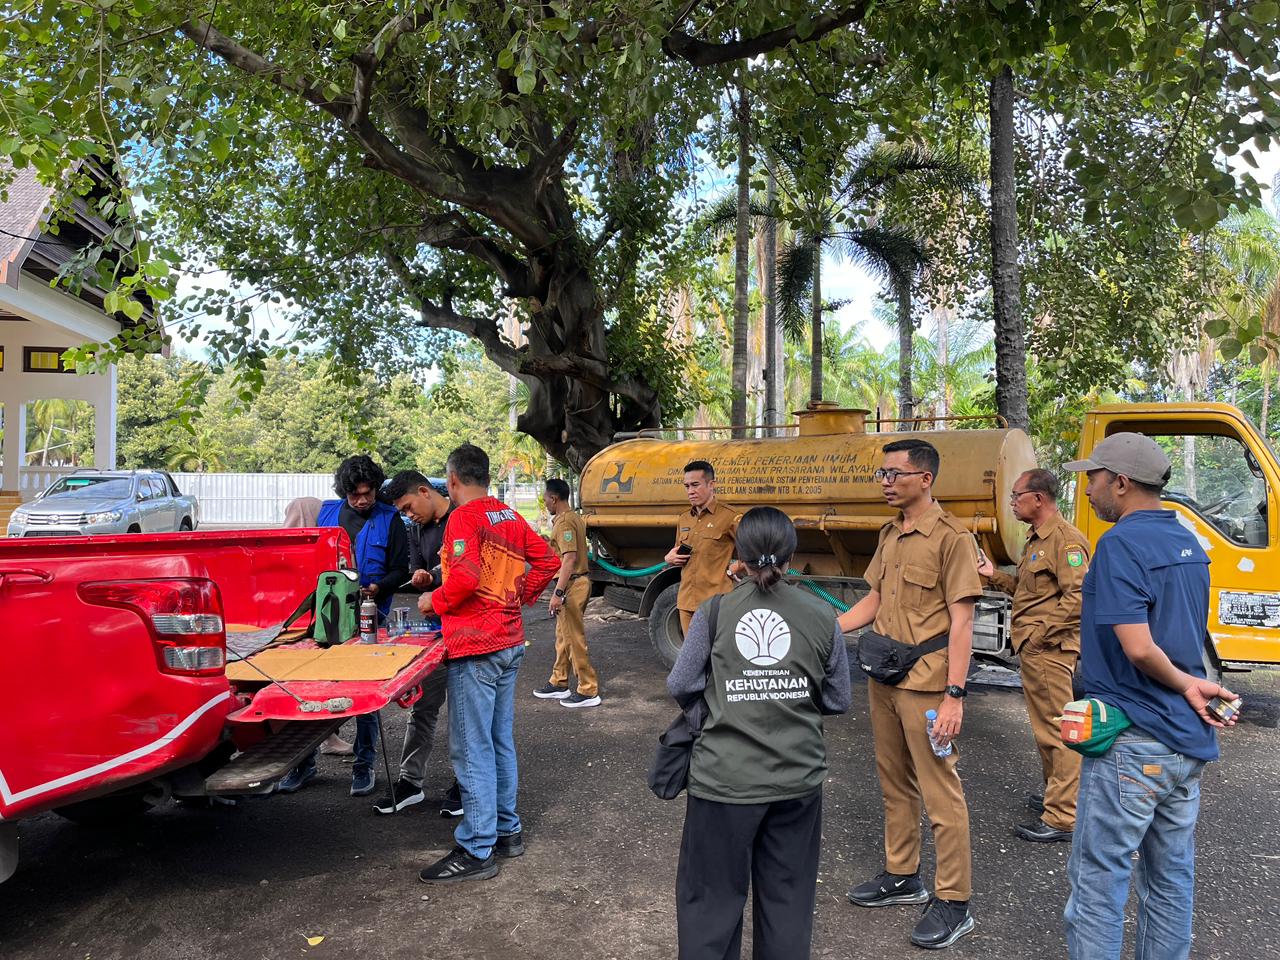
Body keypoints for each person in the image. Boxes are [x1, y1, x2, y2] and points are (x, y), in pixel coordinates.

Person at [1061, 433, 1238, 960]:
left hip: (1134, 742)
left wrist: (1185, 683)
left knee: (1098, 883)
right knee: (1170, 880)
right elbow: (1181, 632)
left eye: (1093, 478)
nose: (1088, 490)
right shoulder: (1189, 542)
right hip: (1186, 740)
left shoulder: (1121, 544)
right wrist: (1191, 687)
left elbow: (1138, 648)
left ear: (1120, 482)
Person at [668, 506, 851, 960]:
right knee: (787, 902)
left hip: (723, 783)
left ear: (739, 555)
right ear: (792, 554)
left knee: (710, 903)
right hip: (797, 781)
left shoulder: (715, 613)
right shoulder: (823, 617)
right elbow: (838, 699)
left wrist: (726, 700)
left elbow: (681, 684)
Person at [838, 438, 982, 950]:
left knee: (941, 790)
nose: (885, 482)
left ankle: (954, 900)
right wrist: (829, 632)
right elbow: (873, 601)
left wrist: (955, 695)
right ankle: (903, 875)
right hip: (885, 675)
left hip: (927, 683)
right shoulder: (890, 534)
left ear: (925, 479)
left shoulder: (952, 539)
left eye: (895, 473)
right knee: (893, 781)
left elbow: (962, 624)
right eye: (882, 474)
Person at [417, 444, 560, 884]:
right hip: (509, 641)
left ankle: (477, 847)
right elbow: (549, 561)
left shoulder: (464, 517)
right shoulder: (509, 515)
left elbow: (463, 578)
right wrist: (517, 597)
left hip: (476, 647)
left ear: (452, 479)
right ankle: (506, 830)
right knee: (498, 741)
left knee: (472, 747)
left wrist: (432, 601)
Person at [278, 455, 409, 798]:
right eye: (356, 495)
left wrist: (379, 587)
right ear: (344, 492)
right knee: (308, 691)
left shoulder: (390, 519)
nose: (363, 500)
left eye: (368, 493)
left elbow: (401, 570)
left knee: (365, 697)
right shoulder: (325, 515)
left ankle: (364, 765)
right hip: (324, 620)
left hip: (371, 618)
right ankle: (303, 764)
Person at [977, 468, 1090, 843]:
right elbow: (1031, 593)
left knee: (1060, 730)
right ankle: (1055, 796)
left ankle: (1063, 815)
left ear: (1038, 498)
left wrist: (1039, 637)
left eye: (1016, 496)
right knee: (1047, 729)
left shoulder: (1066, 540)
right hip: (1038, 647)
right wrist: (993, 575)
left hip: (1050, 649)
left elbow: (1078, 599)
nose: (1012, 503)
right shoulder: (1037, 540)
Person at [374, 469, 463, 817]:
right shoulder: (416, 529)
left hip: (464, 631)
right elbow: (421, 572)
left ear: (425, 491)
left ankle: (464, 784)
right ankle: (410, 782)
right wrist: (421, 577)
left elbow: (465, 574)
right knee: (423, 708)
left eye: (409, 506)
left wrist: (436, 581)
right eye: (402, 511)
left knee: (463, 715)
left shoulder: (460, 519)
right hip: (434, 632)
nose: (408, 515)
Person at [282, 495, 354, 759]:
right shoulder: (311, 548)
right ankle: (316, 748)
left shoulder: (308, 547)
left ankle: (320, 744)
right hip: (308, 630)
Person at [533, 478, 601, 708]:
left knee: (574, 639)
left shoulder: (564, 522)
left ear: (554, 498)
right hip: (577, 582)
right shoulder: (574, 518)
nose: (546, 505)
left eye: (546, 500)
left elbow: (569, 558)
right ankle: (559, 681)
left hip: (572, 584)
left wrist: (558, 592)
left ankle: (588, 689)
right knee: (563, 637)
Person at [663, 460, 742, 635]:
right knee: (692, 657)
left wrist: (735, 568)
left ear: (711, 484)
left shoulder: (730, 517)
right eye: (687, 486)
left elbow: (753, 551)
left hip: (716, 604)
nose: (690, 491)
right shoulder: (684, 518)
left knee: (716, 657)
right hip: (686, 603)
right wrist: (669, 559)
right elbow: (677, 552)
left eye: (695, 485)